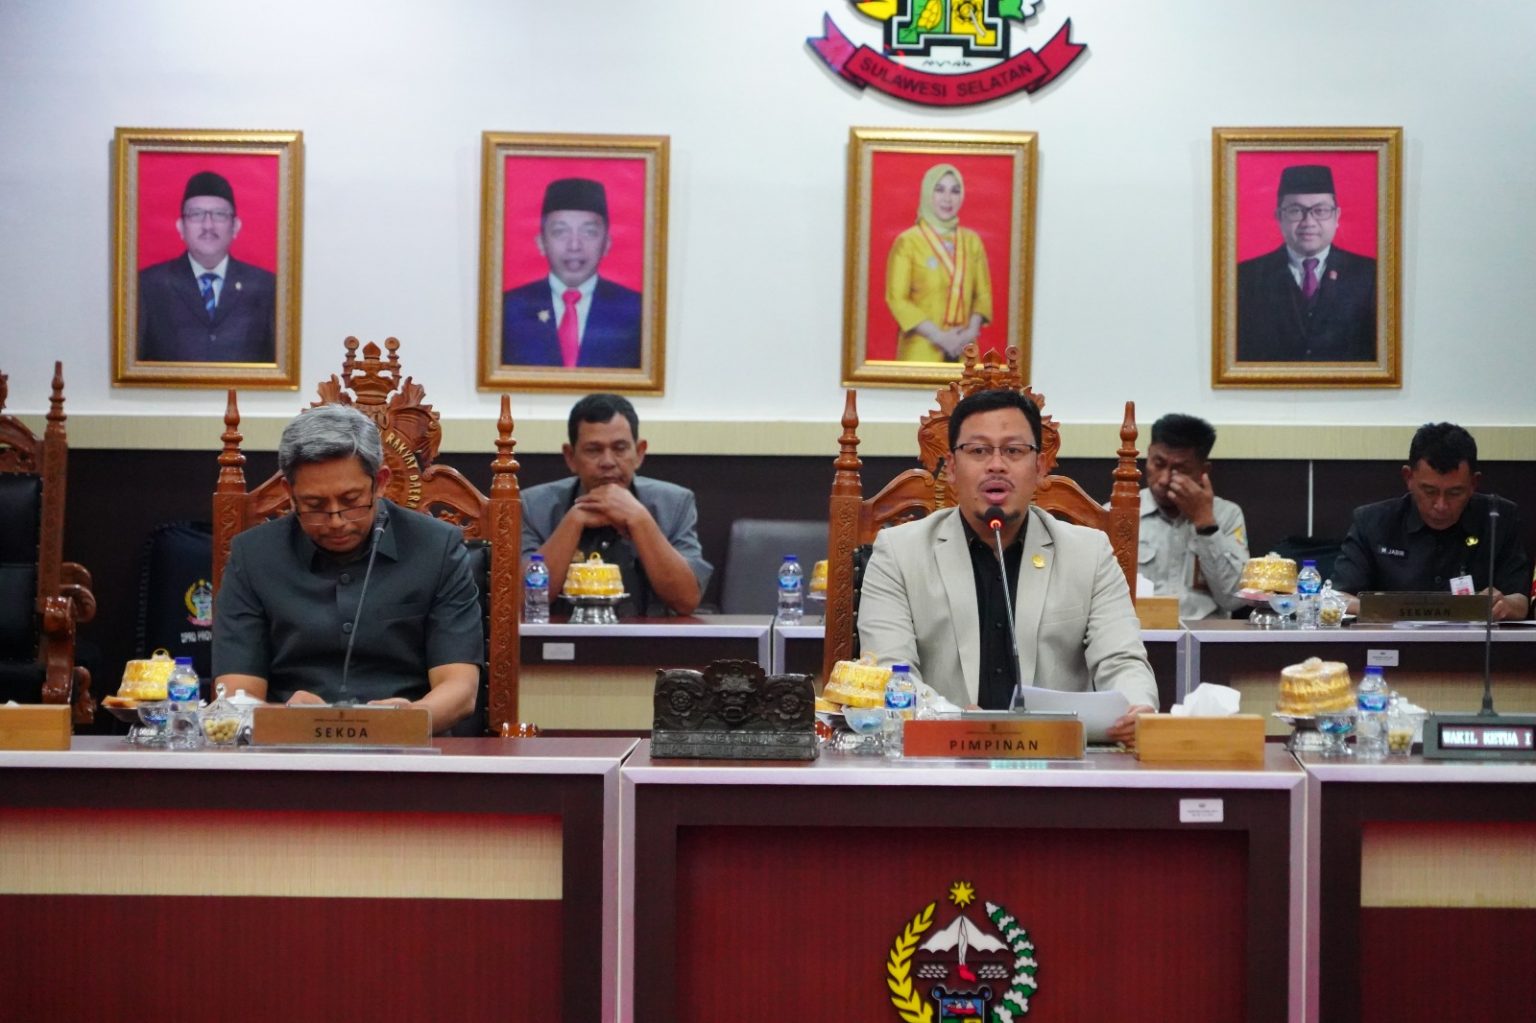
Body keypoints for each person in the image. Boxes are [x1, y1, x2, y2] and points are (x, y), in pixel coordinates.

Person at [857, 389, 1159, 743]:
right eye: (978, 451)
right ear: (951, 468)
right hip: (941, 756)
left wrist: (1137, 708)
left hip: (1058, 758)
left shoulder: (1089, 554)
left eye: (1014, 451)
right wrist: (956, 720)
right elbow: (889, 672)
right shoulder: (898, 552)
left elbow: (1122, 660)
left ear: (1040, 467)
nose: (996, 465)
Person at [212, 405, 482, 732]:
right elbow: (236, 695)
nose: (336, 521)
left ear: (380, 482)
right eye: (315, 506)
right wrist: (289, 717)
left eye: (351, 500)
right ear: (289, 493)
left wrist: (408, 719)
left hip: (410, 742)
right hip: (288, 745)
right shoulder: (253, 556)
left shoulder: (437, 548)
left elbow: (460, 689)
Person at [521, 393, 711, 616]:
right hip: (561, 637)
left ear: (639, 453)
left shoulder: (675, 503)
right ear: (570, 457)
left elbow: (686, 600)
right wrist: (574, 520)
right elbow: (520, 601)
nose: (608, 462)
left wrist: (640, 519)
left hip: (648, 637)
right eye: (594, 450)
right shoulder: (533, 506)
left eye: (620, 448)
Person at [1332, 422, 1530, 621]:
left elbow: (1520, 602)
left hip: (1475, 638)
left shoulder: (1498, 518)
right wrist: (1392, 609)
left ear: (1473, 483)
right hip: (1391, 637)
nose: (1441, 505)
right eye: (1430, 491)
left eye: (1455, 492)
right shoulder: (1372, 522)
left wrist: (1504, 605)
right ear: (1408, 478)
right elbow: (1337, 598)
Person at [1235, 164, 1376, 363]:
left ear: (1337, 216)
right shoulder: (1244, 277)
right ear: (1279, 217)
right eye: (1295, 211)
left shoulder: (1371, 275)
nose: (1308, 222)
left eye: (1321, 211)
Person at [137, 170, 277, 363]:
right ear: (181, 227)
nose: (208, 225)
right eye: (196, 214)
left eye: (219, 215)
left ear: (235, 226)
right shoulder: (148, 286)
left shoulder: (267, 287)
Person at [502, 178, 642, 369]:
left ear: (607, 244)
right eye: (560, 232)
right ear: (541, 243)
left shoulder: (637, 311)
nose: (574, 245)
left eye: (589, 232)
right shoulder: (508, 309)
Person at [1138, 413, 1249, 620]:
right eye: (1158, 464)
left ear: (1203, 471)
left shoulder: (1227, 515)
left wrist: (1205, 522)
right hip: (1140, 632)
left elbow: (1234, 598)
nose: (1164, 479)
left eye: (1180, 469)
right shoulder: (1119, 513)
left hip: (1207, 635)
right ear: (1148, 457)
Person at [885, 163, 994, 362]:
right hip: (921, 351)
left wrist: (970, 333)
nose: (947, 198)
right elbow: (897, 299)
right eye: (939, 189)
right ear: (928, 193)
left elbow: (983, 295)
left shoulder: (972, 241)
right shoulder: (908, 242)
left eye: (955, 191)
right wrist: (939, 336)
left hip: (965, 351)